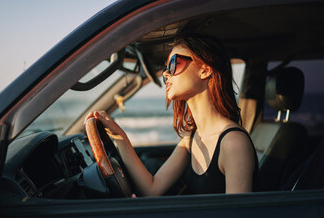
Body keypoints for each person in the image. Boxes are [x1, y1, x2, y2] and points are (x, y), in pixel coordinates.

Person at [84, 34, 258, 196]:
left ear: (205, 70)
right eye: (166, 68)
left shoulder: (233, 143)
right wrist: (119, 136)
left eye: (174, 64)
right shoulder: (191, 140)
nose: (166, 74)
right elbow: (152, 188)